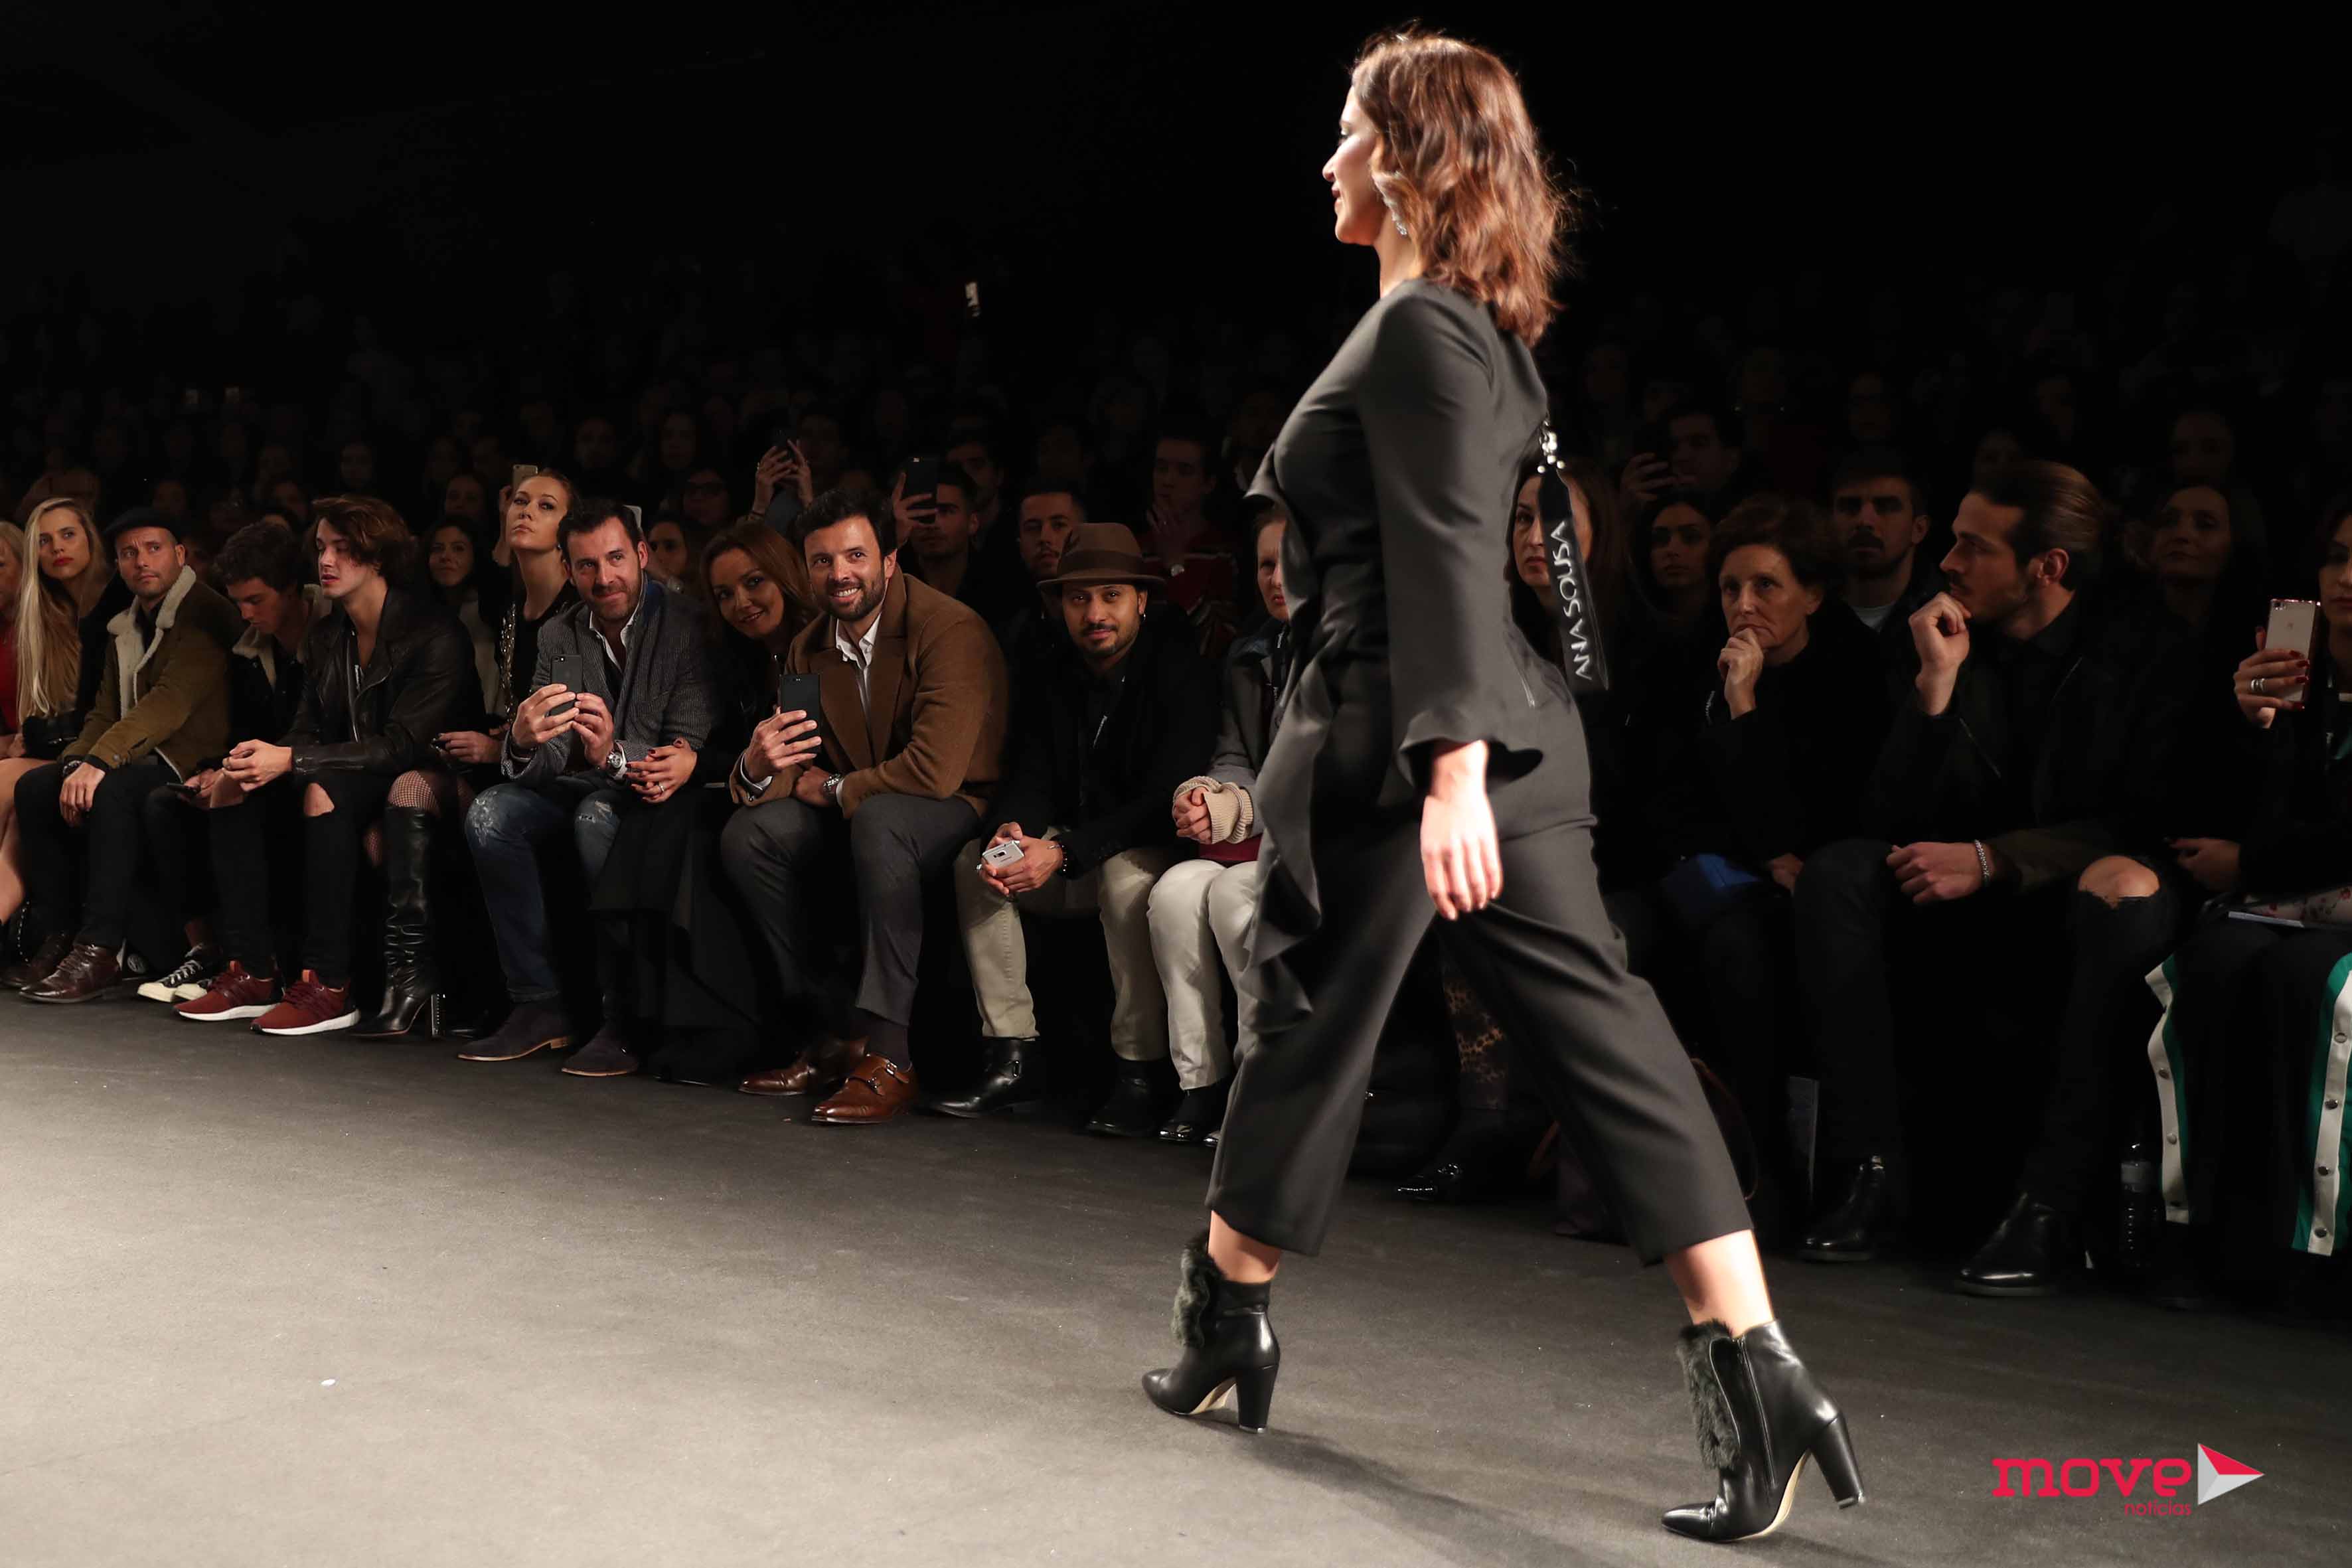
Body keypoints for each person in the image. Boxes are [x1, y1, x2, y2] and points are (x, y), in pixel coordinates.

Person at [1140, 33, 1861, 1548]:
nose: (1326, 158)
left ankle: (1225, 1314)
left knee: (1302, 1018)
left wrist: (1450, 769)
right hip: (1502, 730)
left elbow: (1448, 560)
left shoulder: (1418, 331)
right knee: (1607, 1039)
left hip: (1407, 737)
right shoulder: (1483, 331)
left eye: (1348, 130)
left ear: (1407, 156)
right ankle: (1758, 1366)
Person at [1795, 461, 2199, 1267]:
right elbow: (1888, 822)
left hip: (2070, 896)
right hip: (1969, 893)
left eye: (1974, 546)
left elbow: (2149, 822)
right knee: (1840, 873)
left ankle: (2051, 1206)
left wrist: (1998, 860)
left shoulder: (2144, 651)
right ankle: (1872, 1174)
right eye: (1952, 540)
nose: (1948, 561)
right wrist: (1935, 689)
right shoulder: (1942, 635)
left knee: (2124, 898)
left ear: (2047, 566)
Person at [723, 487, 1010, 1123]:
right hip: (866, 810)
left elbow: (934, 771)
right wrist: (754, 769)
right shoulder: (808, 647)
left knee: (880, 819)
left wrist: (835, 789)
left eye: (855, 556)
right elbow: (791, 767)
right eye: (822, 561)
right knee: (752, 834)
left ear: (889, 560)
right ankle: (831, 1034)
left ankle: (891, 1057)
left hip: (956, 805)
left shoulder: (948, 628)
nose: (839, 574)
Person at [944, 524, 1217, 1131]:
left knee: (1123, 879)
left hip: (1142, 851)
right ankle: (1013, 1056)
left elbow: (1161, 800)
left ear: (1141, 600)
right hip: (1070, 851)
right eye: (1078, 598)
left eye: (1110, 596)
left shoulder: (1181, 672)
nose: (1094, 614)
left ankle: (1139, 1073)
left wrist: (1063, 851)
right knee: (975, 864)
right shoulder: (1053, 670)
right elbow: (1031, 772)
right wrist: (1012, 831)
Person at [175, 498, 471, 1034]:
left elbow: (404, 745)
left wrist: (293, 759)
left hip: (424, 774)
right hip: (349, 768)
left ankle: (328, 985)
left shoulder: (433, 631)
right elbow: (307, 729)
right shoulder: (329, 635)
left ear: (377, 556)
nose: (326, 561)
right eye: (321, 547)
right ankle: (251, 972)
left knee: (322, 787)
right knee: (233, 785)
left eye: (342, 548)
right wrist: (252, 759)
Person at [458, 499, 717, 1075]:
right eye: (587, 566)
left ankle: (623, 1016)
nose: (604, 578)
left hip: (658, 798)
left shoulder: (686, 625)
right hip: (585, 784)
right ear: (569, 570)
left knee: (596, 815)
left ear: (642, 554)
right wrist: (521, 742)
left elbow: (687, 744)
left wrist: (611, 754)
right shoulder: (560, 633)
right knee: (491, 815)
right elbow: (552, 757)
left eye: (616, 558)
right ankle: (539, 1004)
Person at [13, 507, 239, 1002]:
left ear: (180, 554)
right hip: (138, 755)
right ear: (117, 564)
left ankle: (100, 950)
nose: (142, 561)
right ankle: (60, 936)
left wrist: (99, 763)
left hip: (192, 760)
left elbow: (172, 703)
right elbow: (104, 711)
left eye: (154, 549)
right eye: (129, 554)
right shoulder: (126, 624)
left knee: (111, 789)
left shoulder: (204, 610)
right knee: (36, 787)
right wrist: (77, 762)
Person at [1142, 500, 1293, 1146]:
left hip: (1324, 846)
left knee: (1233, 896)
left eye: (1293, 563)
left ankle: (1268, 1086)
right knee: (1173, 893)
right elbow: (1235, 756)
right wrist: (1206, 794)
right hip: (1259, 839)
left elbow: (1330, 782)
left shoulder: (1357, 659)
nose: (1277, 578)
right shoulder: (1251, 651)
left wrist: (1239, 809)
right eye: (1265, 565)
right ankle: (1201, 1084)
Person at [135, 520, 319, 1005]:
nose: (245, 613)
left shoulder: (330, 637)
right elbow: (243, 727)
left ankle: (254, 967)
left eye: (256, 600)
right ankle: (209, 952)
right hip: (266, 768)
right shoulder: (251, 647)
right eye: (238, 602)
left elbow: (323, 729)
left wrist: (238, 771)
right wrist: (215, 766)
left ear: (291, 589)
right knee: (167, 803)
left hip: (315, 770)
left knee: (234, 795)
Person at [0, 499, 127, 957]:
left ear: (90, 538)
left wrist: (34, 737)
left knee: (11, 783)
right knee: (16, 795)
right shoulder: (44, 618)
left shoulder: (119, 602)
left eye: (68, 535)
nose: (57, 548)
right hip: (63, 749)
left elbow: (109, 709)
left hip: (110, 747)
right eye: (44, 541)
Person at [1827, 449, 1937, 652]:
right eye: (1850, 506)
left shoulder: (1949, 618)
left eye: (1886, 507)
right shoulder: (1803, 614)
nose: (1864, 521)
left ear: (1919, 529)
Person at [424, 515, 503, 711]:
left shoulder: (492, 609)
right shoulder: (415, 610)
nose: (446, 556)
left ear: (475, 556)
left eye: (458, 549)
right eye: (437, 549)